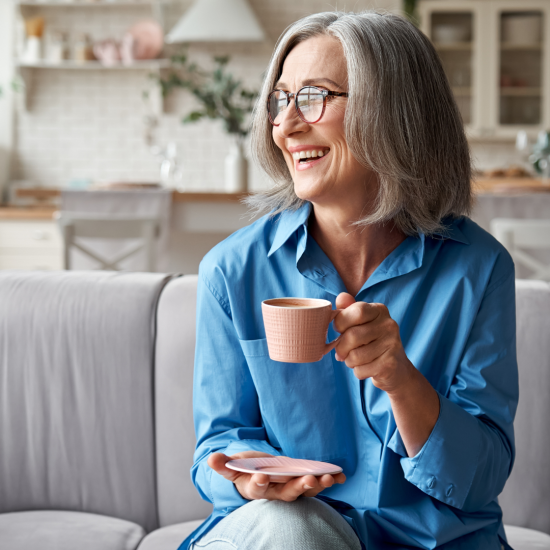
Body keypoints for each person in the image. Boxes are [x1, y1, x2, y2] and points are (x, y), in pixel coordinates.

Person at [179, 10, 518, 550]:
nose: (287, 125)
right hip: (286, 533)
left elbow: (481, 478)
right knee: (291, 531)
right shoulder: (233, 270)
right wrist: (245, 480)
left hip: (435, 541)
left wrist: (400, 378)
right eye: (280, 100)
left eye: (313, 96)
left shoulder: (478, 270)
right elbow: (216, 447)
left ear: (394, 113)